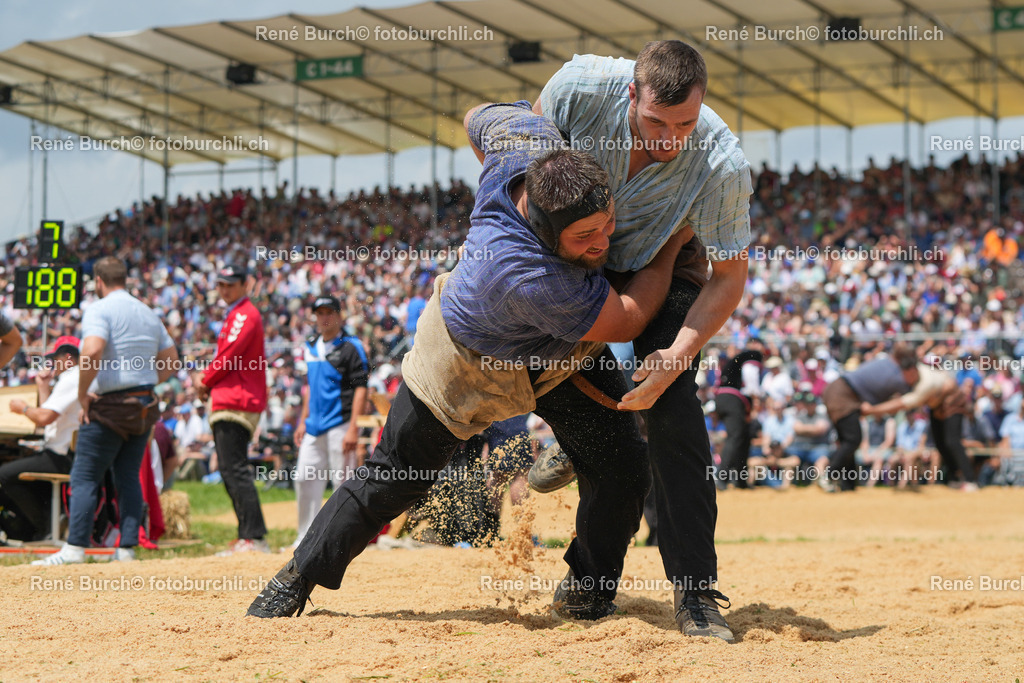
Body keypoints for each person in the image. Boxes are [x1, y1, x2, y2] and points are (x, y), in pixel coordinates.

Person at [247, 102, 685, 628]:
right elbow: (628, 319)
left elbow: (477, 114)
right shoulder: (525, 271)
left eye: (607, 221)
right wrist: (670, 245)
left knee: (624, 464)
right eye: (585, 237)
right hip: (461, 365)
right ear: (543, 229)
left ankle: (585, 594)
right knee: (395, 476)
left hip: (552, 355)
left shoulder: (525, 145)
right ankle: (296, 577)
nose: (605, 240)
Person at [529, 40, 752, 641]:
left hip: (668, 259)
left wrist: (677, 355)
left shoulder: (722, 162)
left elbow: (729, 278)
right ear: (631, 93)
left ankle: (697, 595)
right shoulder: (578, 89)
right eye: (656, 121)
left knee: (672, 402)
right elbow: (525, 178)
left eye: (685, 124)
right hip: (578, 256)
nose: (670, 139)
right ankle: (590, 582)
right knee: (598, 422)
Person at [33, 257, 178, 565]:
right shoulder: (147, 312)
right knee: (128, 477)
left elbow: (92, 350)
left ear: (98, 281)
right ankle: (126, 549)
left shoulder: (100, 309)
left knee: (84, 476)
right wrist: (145, 382)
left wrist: (83, 393)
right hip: (144, 405)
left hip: (110, 405)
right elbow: (171, 361)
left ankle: (75, 548)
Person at [194, 264, 270, 555]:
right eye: (221, 284)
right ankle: (247, 536)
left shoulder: (244, 313)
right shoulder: (236, 313)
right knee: (229, 469)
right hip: (232, 397)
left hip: (237, 399)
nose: (225, 290)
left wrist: (204, 380)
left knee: (234, 469)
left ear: (244, 284)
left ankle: (254, 537)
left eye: (230, 284)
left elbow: (228, 356)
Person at [292, 295, 369, 548]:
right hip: (313, 427)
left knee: (342, 484)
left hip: (341, 424)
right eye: (320, 313)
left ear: (339, 315)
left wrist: (354, 428)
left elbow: (361, 388)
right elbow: (309, 388)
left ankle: (341, 541)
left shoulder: (351, 346)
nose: (324, 317)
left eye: (329, 312)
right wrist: (302, 421)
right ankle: (305, 540)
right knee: (304, 479)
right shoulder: (310, 346)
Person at [0, 337, 81, 542]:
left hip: (61, 456)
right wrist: (43, 386)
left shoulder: (72, 377)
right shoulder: (74, 378)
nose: (52, 365)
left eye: (55, 360)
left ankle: (45, 526)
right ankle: (44, 526)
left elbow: (44, 418)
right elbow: (48, 418)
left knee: (4, 475)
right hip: (62, 453)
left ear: (68, 358)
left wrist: (23, 408)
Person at [861, 358, 977, 490]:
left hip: (953, 402)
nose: (906, 378)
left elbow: (900, 404)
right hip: (936, 405)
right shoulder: (915, 374)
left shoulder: (925, 384)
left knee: (952, 441)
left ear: (913, 371)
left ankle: (970, 480)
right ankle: (954, 478)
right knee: (940, 443)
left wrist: (872, 410)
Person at [821, 346, 919, 492]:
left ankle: (848, 485)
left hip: (838, 390)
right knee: (853, 440)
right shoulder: (897, 375)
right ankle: (828, 475)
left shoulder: (886, 362)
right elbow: (907, 395)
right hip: (843, 394)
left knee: (847, 441)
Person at [714, 340, 764, 489]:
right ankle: (722, 478)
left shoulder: (737, 359)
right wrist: (756, 398)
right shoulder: (752, 356)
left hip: (725, 399)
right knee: (735, 437)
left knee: (743, 437)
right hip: (733, 400)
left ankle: (740, 480)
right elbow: (750, 377)